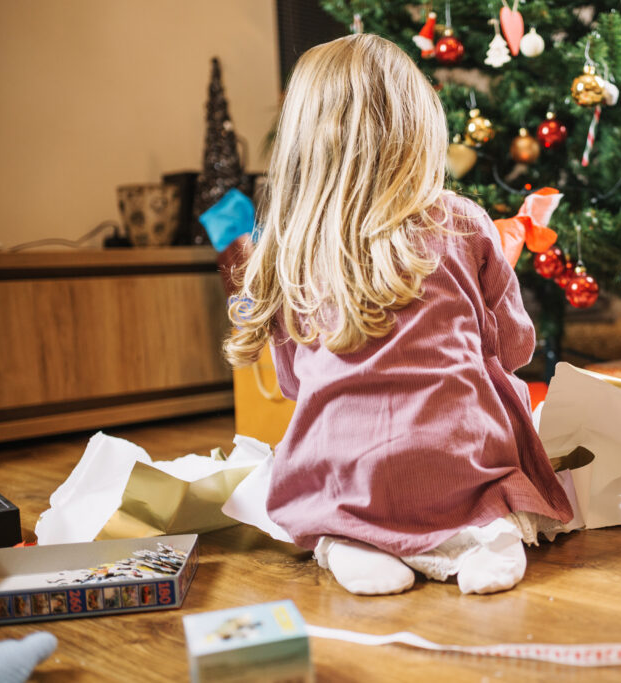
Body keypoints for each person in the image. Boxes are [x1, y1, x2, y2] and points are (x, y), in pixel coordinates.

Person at [224, 34, 573, 596]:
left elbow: (293, 383)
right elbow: (513, 349)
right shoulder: (462, 221)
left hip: (345, 472)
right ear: (419, 129)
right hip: (458, 462)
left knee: (318, 483)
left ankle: (351, 541)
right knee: (502, 472)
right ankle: (490, 534)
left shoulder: (289, 248)